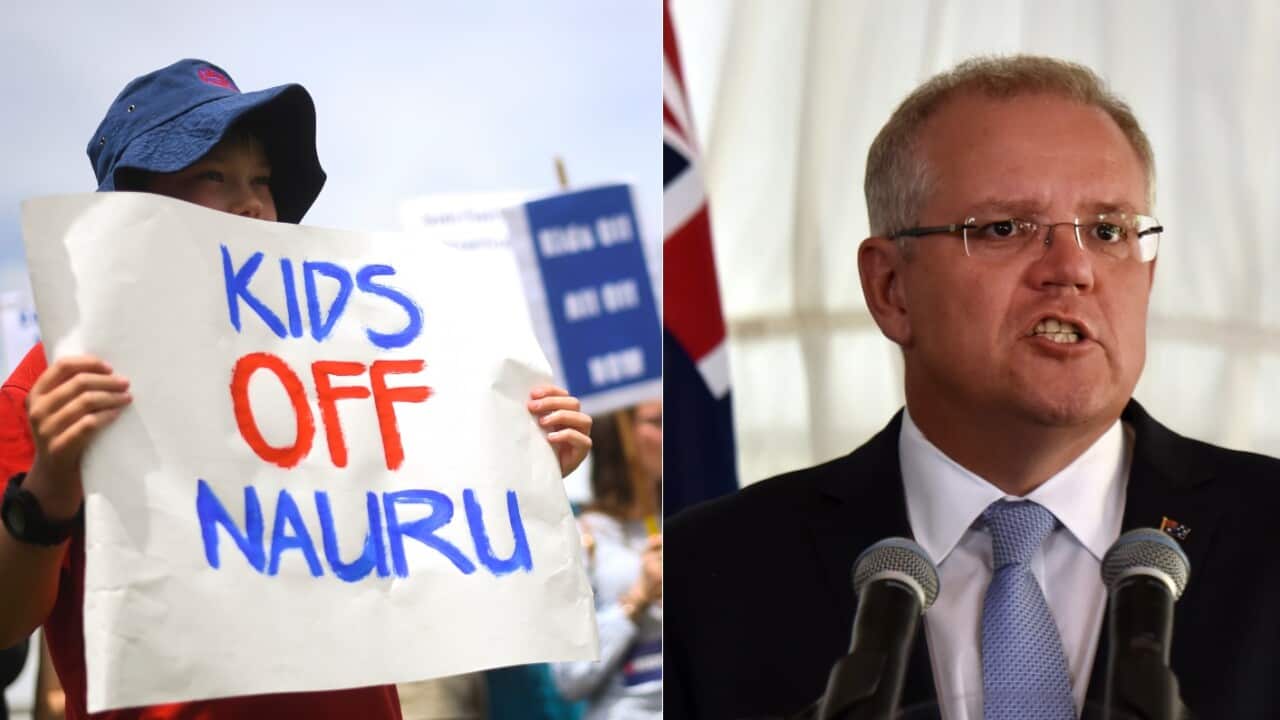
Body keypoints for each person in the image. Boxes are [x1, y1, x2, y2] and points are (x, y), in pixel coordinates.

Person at [666, 54, 1280, 720]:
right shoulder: (708, 575)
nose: (1073, 268)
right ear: (890, 289)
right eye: (1003, 229)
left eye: (1108, 231)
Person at [0, 59, 592, 720]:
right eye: (211, 174)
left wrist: (517, 463)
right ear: (131, 201)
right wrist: (48, 489)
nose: (251, 201)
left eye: (263, 180)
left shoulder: (347, 357)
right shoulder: (54, 380)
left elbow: (423, 539)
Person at [552, 400, 662, 719]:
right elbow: (569, 678)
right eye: (656, 422)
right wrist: (637, 598)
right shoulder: (582, 537)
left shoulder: (682, 520)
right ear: (619, 435)